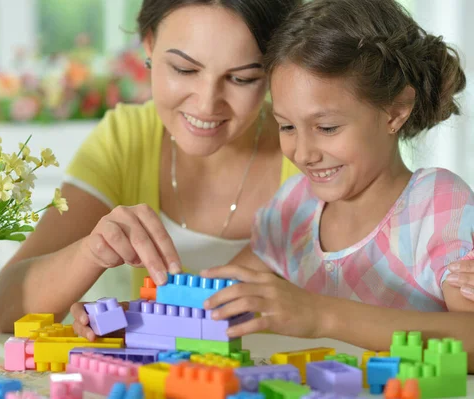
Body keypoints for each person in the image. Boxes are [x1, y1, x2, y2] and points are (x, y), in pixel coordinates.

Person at [0, 0, 302, 334]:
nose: (207, 104)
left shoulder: (311, 151)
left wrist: (156, 321)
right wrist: (90, 254)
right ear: (149, 43)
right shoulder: (126, 139)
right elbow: (2, 317)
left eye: (241, 78)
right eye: (185, 69)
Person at [199, 0, 474, 371]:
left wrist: (321, 316)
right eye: (287, 126)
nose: (304, 152)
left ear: (395, 111)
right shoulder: (293, 208)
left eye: (327, 128)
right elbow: (221, 299)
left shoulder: (437, 204)